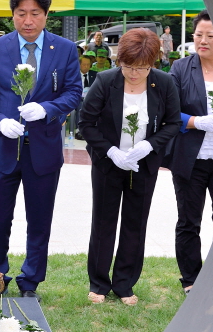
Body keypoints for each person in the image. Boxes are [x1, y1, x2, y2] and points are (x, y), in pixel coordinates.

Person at [0, 0, 82, 299]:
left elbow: (73, 92)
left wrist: (47, 109)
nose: (28, 20)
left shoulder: (63, 49)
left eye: (35, 13)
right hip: (4, 148)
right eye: (21, 13)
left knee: (39, 219)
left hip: (44, 150)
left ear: (46, 14)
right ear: (12, 15)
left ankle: (31, 280)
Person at [78, 28, 181, 306]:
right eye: (127, 66)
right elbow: (85, 124)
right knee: (103, 221)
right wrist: (111, 151)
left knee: (136, 223)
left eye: (142, 68)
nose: (134, 73)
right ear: (118, 60)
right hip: (108, 164)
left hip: (144, 165)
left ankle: (124, 283)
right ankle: (98, 282)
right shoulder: (105, 81)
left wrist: (149, 145)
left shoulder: (164, 83)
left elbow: (173, 122)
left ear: (153, 63)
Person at [164, 10, 213, 296]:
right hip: (191, 158)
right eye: (198, 35)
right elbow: (166, 110)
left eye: (210, 36)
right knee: (189, 221)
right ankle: (191, 279)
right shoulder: (181, 68)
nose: (202, 41)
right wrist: (194, 121)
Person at [74, 55, 97, 141]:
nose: (86, 66)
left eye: (88, 64)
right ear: (79, 65)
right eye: (84, 64)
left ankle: (91, 130)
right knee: (81, 105)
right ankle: (79, 130)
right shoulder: (74, 75)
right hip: (78, 98)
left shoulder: (95, 75)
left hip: (92, 99)